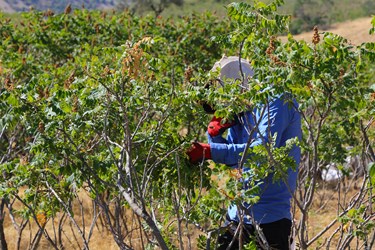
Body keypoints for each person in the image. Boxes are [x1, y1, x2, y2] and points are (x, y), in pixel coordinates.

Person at [187, 56, 301, 250]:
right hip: (238, 213)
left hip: (270, 218)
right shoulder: (242, 109)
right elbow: (235, 160)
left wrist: (209, 151)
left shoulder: (275, 100)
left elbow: (261, 151)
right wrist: (214, 135)